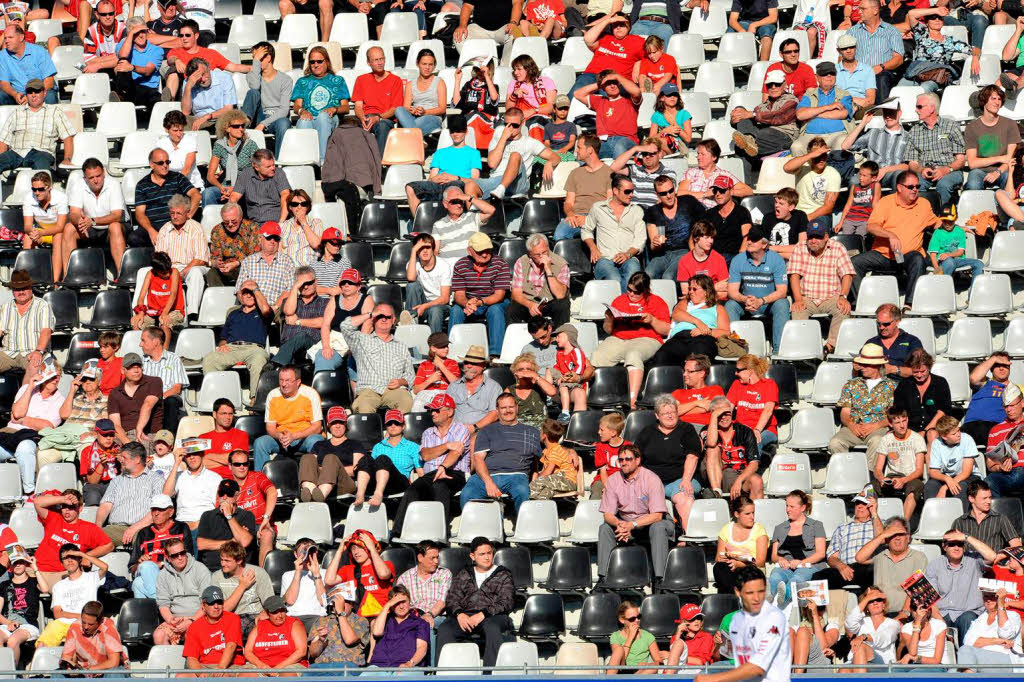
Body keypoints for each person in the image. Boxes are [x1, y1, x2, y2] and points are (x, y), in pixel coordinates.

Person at [694, 567, 791, 682]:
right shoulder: (730, 618)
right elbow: (716, 657)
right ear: (738, 592)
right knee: (703, 673)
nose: (756, 598)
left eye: (760, 591)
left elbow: (758, 668)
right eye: (750, 593)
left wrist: (713, 679)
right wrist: (718, 645)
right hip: (731, 666)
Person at [596, 440, 675, 583]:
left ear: (638, 460)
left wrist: (632, 524)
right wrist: (620, 524)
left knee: (658, 527)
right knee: (605, 528)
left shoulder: (651, 479)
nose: (624, 463)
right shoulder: (613, 480)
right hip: (626, 523)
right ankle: (604, 578)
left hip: (652, 522)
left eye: (628, 459)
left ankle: (660, 580)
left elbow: (657, 515)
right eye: (620, 460)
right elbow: (607, 514)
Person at [393, 394, 469, 537]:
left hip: (454, 473)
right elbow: (426, 455)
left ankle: (441, 533)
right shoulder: (428, 433)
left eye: (436, 410)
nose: (432, 413)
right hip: (431, 474)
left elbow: (456, 452)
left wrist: (443, 467)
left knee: (439, 486)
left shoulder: (461, 429)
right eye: (431, 410)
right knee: (412, 490)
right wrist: (447, 445)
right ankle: (398, 533)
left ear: (450, 412)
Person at [593, 271, 671, 408]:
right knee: (598, 355)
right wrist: (609, 319)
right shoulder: (620, 300)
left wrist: (652, 320)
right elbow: (608, 330)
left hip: (646, 338)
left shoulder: (656, 301)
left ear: (645, 291)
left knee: (633, 355)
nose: (631, 294)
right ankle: (597, 395)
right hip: (619, 337)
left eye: (636, 292)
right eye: (629, 289)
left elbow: (666, 330)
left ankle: (632, 401)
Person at [433, 537, 515, 668]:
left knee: (492, 628)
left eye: (489, 553)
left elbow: (507, 601)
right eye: (482, 554)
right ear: (473, 556)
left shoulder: (503, 574)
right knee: (445, 629)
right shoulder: (464, 573)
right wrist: (459, 614)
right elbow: (452, 598)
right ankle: (442, 673)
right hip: (466, 616)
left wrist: (483, 614)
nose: (487, 557)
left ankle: (491, 675)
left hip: (493, 616)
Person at [459, 393, 540, 513]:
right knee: (467, 494)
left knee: (522, 492)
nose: (507, 411)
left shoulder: (532, 432)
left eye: (511, 407)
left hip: (517, 475)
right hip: (486, 475)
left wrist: (570, 451)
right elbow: (478, 459)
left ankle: (523, 527)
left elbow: (543, 455)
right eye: (503, 408)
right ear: (497, 410)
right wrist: (488, 482)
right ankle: (478, 527)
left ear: (517, 407)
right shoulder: (486, 431)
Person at [787, 223, 854, 354]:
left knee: (843, 309)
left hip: (831, 297)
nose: (813, 240)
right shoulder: (800, 248)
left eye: (817, 237)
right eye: (811, 237)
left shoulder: (838, 248)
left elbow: (847, 274)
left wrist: (843, 296)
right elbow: (794, 276)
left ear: (826, 237)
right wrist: (798, 299)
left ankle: (830, 347)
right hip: (806, 297)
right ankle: (806, 350)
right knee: (797, 311)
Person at [338, 303, 415, 414]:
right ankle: (368, 431)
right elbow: (345, 326)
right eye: (379, 316)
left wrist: (401, 381)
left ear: (393, 320)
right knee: (364, 406)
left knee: (406, 400)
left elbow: (410, 375)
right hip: (369, 390)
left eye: (387, 317)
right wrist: (370, 314)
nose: (383, 319)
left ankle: (393, 431)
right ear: (373, 319)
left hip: (393, 390)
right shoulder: (362, 340)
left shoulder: (401, 346)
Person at [828, 343, 897, 465]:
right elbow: (845, 412)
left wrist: (876, 425)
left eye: (865, 364)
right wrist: (851, 425)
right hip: (853, 427)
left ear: (876, 366)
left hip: (878, 427)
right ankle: (847, 474)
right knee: (835, 443)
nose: (861, 367)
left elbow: (895, 414)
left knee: (878, 441)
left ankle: (870, 478)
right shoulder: (851, 385)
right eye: (861, 364)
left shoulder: (892, 386)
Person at [724, 227, 790, 352]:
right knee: (730, 305)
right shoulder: (738, 260)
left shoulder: (776, 260)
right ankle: (734, 349)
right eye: (749, 239)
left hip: (768, 303)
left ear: (764, 244)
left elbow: (782, 291)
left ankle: (779, 351)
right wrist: (745, 299)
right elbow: (732, 292)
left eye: (754, 240)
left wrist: (761, 301)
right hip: (746, 303)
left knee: (782, 304)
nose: (749, 242)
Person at [448, 232, 512, 359]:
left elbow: (499, 295)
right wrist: (467, 304)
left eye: (487, 250)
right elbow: (459, 295)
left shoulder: (500, 264)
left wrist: (480, 302)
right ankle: (453, 351)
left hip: (494, 301)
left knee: (496, 310)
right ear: (469, 251)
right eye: (480, 251)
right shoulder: (460, 265)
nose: (484, 254)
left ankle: (496, 354)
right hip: (470, 300)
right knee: (456, 310)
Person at [200, 285, 270, 399]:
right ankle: (218, 399)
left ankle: (255, 400)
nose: (248, 295)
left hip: (254, 349)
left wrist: (256, 290)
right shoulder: (233, 313)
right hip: (232, 348)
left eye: (252, 293)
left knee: (258, 361)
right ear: (240, 296)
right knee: (209, 360)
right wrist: (222, 346)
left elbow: (267, 310)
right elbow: (223, 337)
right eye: (245, 293)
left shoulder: (263, 312)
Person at [581, 173, 647, 293]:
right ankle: (619, 309)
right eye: (627, 191)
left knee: (632, 276)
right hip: (605, 258)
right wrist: (593, 247)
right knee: (614, 279)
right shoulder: (598, 208)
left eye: (632, 191)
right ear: (615, 191)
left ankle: (624, 308)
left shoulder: (636, 211)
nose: (631, 195)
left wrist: (627, 254)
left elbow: (640, 239)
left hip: (629, 258)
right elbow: (586, 230)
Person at [405, 115, 480, 218]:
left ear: (466, 132)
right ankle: (420, 223)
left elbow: (475, 181)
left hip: (457, 184)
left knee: (454, 186)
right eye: (452, 131)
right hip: (439, 185)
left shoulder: (474, 153)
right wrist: (435, 179)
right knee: (410, 188)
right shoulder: (440, 153)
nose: (455, 134)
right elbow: (432, 177)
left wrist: (455, 177)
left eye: (458, 131)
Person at [33, 489, 113, 585]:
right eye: (64, 506)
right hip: (36, 569)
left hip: (61, 574)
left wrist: (88, 556)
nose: (67, 510)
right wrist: (63, 499)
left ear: (80, 508)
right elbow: (37, 502)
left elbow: (109, 545)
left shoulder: (89, 528)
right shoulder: (54, 517)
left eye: (71, 507)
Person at [64, 159, 129, 278]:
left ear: (104, 173)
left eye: (98, 176)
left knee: (114, 227)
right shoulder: (78, 185)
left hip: (114, 226)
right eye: (91, 177)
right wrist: (80, 222)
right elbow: (73, 213)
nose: (95, 180)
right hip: (90, 227)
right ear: (85, 178)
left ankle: (122, 274)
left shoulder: (113, 184)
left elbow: (117, 215)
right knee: (69, 228)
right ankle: (70, 276)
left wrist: (93, 221)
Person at [252, 365, 324, 472]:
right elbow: (270, 427)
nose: (284, 384)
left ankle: (316, 481)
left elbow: (317, 427)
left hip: (304, 437)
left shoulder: (310, 394)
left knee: (316, 441)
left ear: (298, 382)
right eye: (281, 380)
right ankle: (261, 482)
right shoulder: (273, 395)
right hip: (281, 439)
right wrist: (279, 435)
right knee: (260, 443)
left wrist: (294, 436)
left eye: (288, 380)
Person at [649, 275, 729, 369]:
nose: (690, 292)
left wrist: (706, 331)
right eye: (689, 288)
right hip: (679, 338)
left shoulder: (717, 308)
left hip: (703, 338)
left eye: (694, 289)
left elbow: (726, 332)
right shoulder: (686, 303)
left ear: (706, 291)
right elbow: (676, 314)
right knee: (661, 357)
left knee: (698, 358)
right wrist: (698, 322)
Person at [479, 107, 561, 200]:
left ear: (522, 123)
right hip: (495, 180)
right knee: (470, 185)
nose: (510, 128)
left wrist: (549, 163)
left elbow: (555, 157)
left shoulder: (530, 142)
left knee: (515, 155)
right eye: (507, 124)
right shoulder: (499, 135)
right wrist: (503, 138)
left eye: (515, 125)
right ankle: (475, 213)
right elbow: (492, 164)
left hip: (517, 183)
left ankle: (501, 189)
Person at [95, 441, 166, 547]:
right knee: (92, 539)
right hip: (115, 529)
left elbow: (157, 510)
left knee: (145, 541)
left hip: (143, 529)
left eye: (124, 457)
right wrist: (97, 528)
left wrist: (134, 528)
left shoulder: (156, 479)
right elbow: (106, 505)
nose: (120, 460)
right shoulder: (117, 480)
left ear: (137, 459)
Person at [904, 92, 966, 210]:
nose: (916, 110)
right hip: (925, 171)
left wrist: (946, 169)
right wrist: (922, 169)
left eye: (919, 107)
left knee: (943, 185)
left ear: (932, 108)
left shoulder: (951, 126)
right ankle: (921, 216)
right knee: (915, 186)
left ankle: (945, 216)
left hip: (951, 170)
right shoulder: (914, 131)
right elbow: (912, 163)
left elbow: (961, 160)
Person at [0, 79, 72, 179]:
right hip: (16, 153)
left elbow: (67, 136)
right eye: (30, 92)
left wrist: (67, 159)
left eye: (37, 91)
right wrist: (3, 158)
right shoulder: (16, 113)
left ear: (45, 93)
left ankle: (44, 193)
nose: (33, 95)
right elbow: (3, 141)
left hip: (42, 153)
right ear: (26, 94)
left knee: (42, 172)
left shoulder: (55, 112)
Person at [855, 516, 928, 611]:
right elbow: (859, 558)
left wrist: (904, 614)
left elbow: (916, 590)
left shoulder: (919, 557)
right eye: (892, 534)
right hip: (881, 613)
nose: (897, 538)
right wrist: (881, 536)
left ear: (908, 537)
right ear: (887, 538)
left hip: (906, 614)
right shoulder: (880, 554)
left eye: (901, 534)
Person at [767, 490, 826, 606]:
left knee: (798, 578)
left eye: (792, 506)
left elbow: (820, 553)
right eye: (787, 506)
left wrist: (801, 562)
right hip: (786, 566)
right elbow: (774, 555)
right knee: (775, 577)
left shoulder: (816, 525)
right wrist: (781, 560)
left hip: (809, 565)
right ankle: (766, 601)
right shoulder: (779, 528)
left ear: (803, 507)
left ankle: (786, 596)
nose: (788, 509)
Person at [134, 149, 201, 250]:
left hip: (176, 222)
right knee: (134, 238)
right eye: (161, 163)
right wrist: (150, 230)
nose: (165, 165)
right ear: (151, 164)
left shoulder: (178, 177)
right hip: (154, 225)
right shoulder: (142, 185)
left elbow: (196, 195)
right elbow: (139, 214)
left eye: (167, 162)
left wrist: (188, 215)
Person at [292, 45, 351, 163]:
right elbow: (296, 106)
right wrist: (302, 111)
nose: (316, 64)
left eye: (319, 61)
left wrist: (334, 109)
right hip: (310, 116)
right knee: (304, 121)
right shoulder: (302, 81)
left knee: (323, 116)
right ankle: (306, 162)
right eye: (312, 62)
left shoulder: (338, 80)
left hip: (329, 117)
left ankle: (323, 161)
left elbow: (346, 107)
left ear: (327, 62)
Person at [395, 540, 450, 664]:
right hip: (413, 616)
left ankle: (429, 670)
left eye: (437, 557)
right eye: (432, 558)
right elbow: (402, 605)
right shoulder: (404, 578)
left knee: (426, 625)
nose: (436, 561)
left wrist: (429, 615)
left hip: (437, 616)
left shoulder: (444, 574)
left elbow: (442, 601)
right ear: (420, 557)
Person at [731, 70, 800, 167]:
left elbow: (778, 116)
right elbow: (750, 119)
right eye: (769, 85)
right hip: (764, 137)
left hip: (785, 136)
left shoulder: (791, 101)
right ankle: (746, 180)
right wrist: (736, 118)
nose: (773, 87)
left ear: (785, 85)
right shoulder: (763, 105)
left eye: (777, 84)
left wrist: (752, 114)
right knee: (741, 111)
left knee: (761, 132)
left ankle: (750, 139)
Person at [643, 175, 704, 280]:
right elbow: (653, 246)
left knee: (668, 276)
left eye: (671, 191)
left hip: (685, 250)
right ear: (657, 195)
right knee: (647, 275)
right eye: (663, 193)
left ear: (674, 189)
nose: (669, 195)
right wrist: (656, 243)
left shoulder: (688, 202)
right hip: (663, 254)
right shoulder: (653, 211)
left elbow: (704, 224)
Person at [324, 529, 395, 619]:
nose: (356, 552)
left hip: (381, 616)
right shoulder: (348, 569)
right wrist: (339, 551)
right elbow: (329, 580)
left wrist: (372, 549)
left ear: (368, 546)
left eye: (360, 547)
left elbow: (383, 574)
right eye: (353, 548)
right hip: (357, 619)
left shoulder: (386, 565)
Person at [570, 13, 644, 98]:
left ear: (629, 26)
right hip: (592, 75)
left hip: (615, 79)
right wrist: (608, 20)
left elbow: (651, 55)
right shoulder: (605, 38)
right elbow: (587, 39)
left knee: (607, 101)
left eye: (622, 25)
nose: (618, 27)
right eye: (615, 25)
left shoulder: (637, 41)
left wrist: (639, 63)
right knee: (575, 94)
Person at [704, 397, 764, 500]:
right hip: (717, 476)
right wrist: (714, 416)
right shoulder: (707, 430)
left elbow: (754, 464)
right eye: (719, 414)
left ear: (732, 413)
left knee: (756, 481)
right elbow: (711, 442)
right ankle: (716, 494)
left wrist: (739, 480)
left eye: (726, 413)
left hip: (739, 474)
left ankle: (756, 515)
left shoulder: (745, 431)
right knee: (712, 449)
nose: (723, 417)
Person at [817, 492, 881, 589]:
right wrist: (841, 566)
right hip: (845, 568)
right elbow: (832, 557)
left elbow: (882, 538)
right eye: (857, 503)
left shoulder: (878, 524)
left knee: (875, 573)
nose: (859, 506)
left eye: (864, 504)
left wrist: (874, 514)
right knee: (818, 577)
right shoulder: (842, 528)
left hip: (867, 567)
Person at [211, 539, 275, 636]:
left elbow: (270, 602)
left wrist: (266, 613)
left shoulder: (258, 573)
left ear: (239, 561)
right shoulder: (217, 577)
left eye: (227, 561)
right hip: (230, 618)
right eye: (221, 559)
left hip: (255, 616)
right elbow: (223, 609)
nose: (222, 564)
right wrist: (242, 586)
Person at [46, 544, 108, 642]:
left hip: (86, 624)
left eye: (73, 557)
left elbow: (104, 567)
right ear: (62, 563)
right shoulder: (58, 586)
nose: (70, 560)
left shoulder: (91, 578)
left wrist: (81, 554)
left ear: (79, 559)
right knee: (42, 643)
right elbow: (57, 614)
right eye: (66, 558)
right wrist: (80, 616)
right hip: (63, 624)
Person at [272, 266, 332, 366]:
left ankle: (275, 363)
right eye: (301, 284)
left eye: (308, 283)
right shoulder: (289, 301)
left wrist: (298, 321)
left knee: (302, 336)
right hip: (288, 345)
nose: (305, 287)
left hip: (312, 345)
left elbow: (325, 322)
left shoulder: (325, 302)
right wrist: (295, 288)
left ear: (316, 282)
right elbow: (288, 312)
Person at [507, 233, 571, 327]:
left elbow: (560, 295)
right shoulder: (521, 262)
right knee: (512, 309)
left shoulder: (561, 263)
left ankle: (561, 336)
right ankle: (516, 339)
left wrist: (548, 269)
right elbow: (516, 293)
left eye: (545, 252)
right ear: (530, 254)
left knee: (562, 305)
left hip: (550, 303)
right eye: (537, 254)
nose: (542, 256)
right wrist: (530, 305)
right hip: (529, 302)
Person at [790, 62, 854, 155]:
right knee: (796, 147)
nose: (829, 76)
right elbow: (800, 115)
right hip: (811, 136)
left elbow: (842, 113)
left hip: (838, 134)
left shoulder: (844, 94)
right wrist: (828, 107)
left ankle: (837, 170)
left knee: (842, 143)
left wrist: (813, 112)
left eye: (832, 73)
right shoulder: (809, 94)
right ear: (817, 77)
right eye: (824, 74)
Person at [240, 43, 291, 157]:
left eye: (258, 58)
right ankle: (241, 130)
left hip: (276, 119)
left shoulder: (285, 79)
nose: (255, 62)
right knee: (253, 93)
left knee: (284, 122)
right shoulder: (252, 76)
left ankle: (278, 161)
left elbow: (284, 110)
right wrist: (257, 62)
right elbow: (255, 87)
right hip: (259, 115)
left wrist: (263, 124)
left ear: (268, 57)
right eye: (254, 59)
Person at [965, 85, 1019, 191]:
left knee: (1010, 180)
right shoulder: (971, 128)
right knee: (973, 184)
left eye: (999, 99)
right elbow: (972, 163)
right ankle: (978, 208)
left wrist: (997, 172)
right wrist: (999, 158)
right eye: (993, 98)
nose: (997, 102)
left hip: (1003, 169)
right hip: (979, 170)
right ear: (984, 101)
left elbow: (1009, 159)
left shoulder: (1010, 124)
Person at [848, 0, 905, 100]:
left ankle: (881, 112)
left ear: (875, 10)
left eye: (863, 9)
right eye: (859, 8)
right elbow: (842, 58)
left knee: (881, 78)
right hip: (857, 74)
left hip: (881, 73)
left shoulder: (891, 31)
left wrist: (881, 67)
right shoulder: (852, 31)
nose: (859, 12)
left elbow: (898, 59)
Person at [351, 46, 402, 156]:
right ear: (368, 63)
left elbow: (395, 108)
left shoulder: (395, 80)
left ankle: (378, 165)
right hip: (365, 117)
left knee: (382, 126)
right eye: (375, 60)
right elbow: (358, 106)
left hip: (384, 118)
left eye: (381, 59)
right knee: (348, 129)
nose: (380, 63)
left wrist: (378, 117)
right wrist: (362, 118)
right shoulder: (361, 80)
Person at [893, 349, 952, 445]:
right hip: (910, 428)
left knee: (931, 434)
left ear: (929, 367)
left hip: (935, 427)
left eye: (923, 371)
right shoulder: (904, 385)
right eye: (915, 372)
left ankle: (929, 459)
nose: (919, 375)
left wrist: (924, 431)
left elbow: (942, 411)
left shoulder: (940, 383)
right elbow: (899, 411)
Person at [195, 479, 256, 571]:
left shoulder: (247, 515)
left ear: (237, 496)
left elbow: (244, 542)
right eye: (221, 493)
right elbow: (201, 544)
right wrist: (231, 542)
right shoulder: (207, 515)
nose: (224, 497)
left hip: (238, 569)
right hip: (211, 569)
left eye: (229, 494)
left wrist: (229, 516)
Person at [182, 585, 244, 673]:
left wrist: (221, 667)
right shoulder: (194, 626)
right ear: (203, 605)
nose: (216, 606)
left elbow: (231, 645)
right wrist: (200, 673)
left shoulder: (233, 618)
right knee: (181, 677)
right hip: (205, 667)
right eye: (211, 603)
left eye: (219, 602)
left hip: (230, 666)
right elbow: (191, 658)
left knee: (223, 677)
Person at [20, 173, 68, 286]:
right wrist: (33, 232)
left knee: (58, 236)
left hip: (58, 231)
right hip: (41, 231)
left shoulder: (61, 198)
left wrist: (41, 232)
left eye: (40, 189)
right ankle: (27, 279)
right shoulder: (28, 198)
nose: (36, 192)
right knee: (27, 237)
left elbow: (60, 227)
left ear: (49, 187)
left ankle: (55, 282)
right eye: (34, 189)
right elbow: (27, 225)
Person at [307, 584, 371, 670]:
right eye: (335, 601)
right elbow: (313, 653)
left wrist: (340, 612)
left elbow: (349, 640)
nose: (338, 604)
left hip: (346, 667)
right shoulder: (321, 621)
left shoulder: (361, 621)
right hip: (321, 667)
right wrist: (321, 641)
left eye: (343, 601)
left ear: (352, 604)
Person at [784, 138, 842, 232]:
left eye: (823, 155)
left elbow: (828, 207)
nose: (821, 159)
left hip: (819, 215)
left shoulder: (833, 173)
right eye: (818, 155)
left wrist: (806, 218)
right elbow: (787, 167)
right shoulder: (803, 167)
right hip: (798, 211)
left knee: (816, 229)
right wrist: (811, 155)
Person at [713, 494, 768, 594]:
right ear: (737, 514)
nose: (752, 517)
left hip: (752, 570)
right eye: (747, 514)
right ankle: (734, 598)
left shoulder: (759, 530)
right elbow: (718, 557)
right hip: (731, 569)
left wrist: (738, 563)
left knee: (730, 579)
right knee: (719, 567)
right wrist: (726, 558)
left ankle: (732, 600)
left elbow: (760, 562)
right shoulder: (726, 530)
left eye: (753, 513)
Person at [842, 105, 906, 191]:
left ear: (899, 113)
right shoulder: (873, 132)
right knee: (854, 181)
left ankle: (895, 204)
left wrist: (885, 170)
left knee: (900, 176)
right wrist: (863, 123)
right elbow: (845, 146)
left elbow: (908, 166)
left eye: (891, 112)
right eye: (885, 112)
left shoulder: (908, 137)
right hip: (871, 173)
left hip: (892, 173)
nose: (888, 116)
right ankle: (859, 204)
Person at [957, 587, 1022, 670]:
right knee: (951, 673)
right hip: (978, 659)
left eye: (992, 596)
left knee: (964, 651)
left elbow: (1005, 634)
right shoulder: (980, 619)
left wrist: (1001, 604)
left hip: (1003, 659)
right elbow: (968, 641)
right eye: (986, 596)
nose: (988, 600)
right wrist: (997, 641)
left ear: (999, 597)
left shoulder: (1013, 615)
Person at [206, 115, 262, 211]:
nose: (241, 129)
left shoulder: (250, 145)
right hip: (225, 187)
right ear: (227, 128)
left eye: (242, 126)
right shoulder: (219, 145)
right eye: (236, 126)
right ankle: (211, 223)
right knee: (208, 193)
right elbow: (210, 176)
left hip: (245, 186)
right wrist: (221, 188)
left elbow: (258, 172)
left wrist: (236, 189)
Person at [140, 325, 188, 436]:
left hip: (166, 398)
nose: (140, 344)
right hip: (147, 401)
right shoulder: (142, 361)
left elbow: (176, 388)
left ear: (156, 342)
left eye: (143, 341)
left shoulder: (173, 359)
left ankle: (168, 439)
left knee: (171, 402)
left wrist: (158, 398)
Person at [366, 585, 429, 670]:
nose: (401, 606)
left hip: (406, 667)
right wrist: (387, 606)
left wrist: (410, 663)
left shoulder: (420, 623)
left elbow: (422, 648)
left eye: (404, 602)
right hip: (379, 666)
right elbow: (377, 632)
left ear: (409, 602)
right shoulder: (384, 620)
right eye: (397, 603)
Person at [106, 353, 162, 446]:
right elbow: (116, 424)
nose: (136, 370)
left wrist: (139, 429)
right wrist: (128, 444)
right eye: (131, 367)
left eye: (138, 366)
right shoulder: (115, 393)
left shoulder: (154, 382)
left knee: (141, 451)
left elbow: (148, 405)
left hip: (148, 433)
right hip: (123, 435)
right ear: (123, 370)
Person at [431, 186, 497, 264]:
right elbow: (435, 250)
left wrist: (470, 198)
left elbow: (491, 210)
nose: (459, 205)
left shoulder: (472, 217)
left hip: (470, 265)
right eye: (454, 202)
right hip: (448, 265)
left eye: (461, 201)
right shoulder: (438, 225)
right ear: (445, 204)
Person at [235, 222, 295, 308]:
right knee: (230, 313)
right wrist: (247, 306)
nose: (272, 241)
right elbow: (239, 290)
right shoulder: (248, 261)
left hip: (275, 308)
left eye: (276, 238)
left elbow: (290, 290)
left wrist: (275, 308)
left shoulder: (287, 262)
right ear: (260, 238)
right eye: (269, 237)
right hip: (251, 307)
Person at [0, 550, 44, 665]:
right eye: (15, 562)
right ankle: (3, 672)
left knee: (13, 640)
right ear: (11, 565)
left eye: (21, 561)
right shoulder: (4, 585)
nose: (18, 564)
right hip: (7, 624)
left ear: (26, 563)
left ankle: (12, 675)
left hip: (28, 625)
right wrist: (8, 623)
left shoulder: (33, 582)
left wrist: (34, 567)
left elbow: (45, 589)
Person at [446, 345, 502, 434]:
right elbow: (445, 411)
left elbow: (494, 414)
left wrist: (474, 427)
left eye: (473, 363)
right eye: (466, 362)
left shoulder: (493, 387)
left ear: (483, 365)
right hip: (454, 433)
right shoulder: (453, 386)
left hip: (481, 432)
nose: (468, 366)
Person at [926, 416, 981, 506]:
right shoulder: (937, 443)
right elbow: (933, 471)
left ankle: (960, 518)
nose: (958, 434)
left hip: (970, 476)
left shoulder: (966, 439)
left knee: (960, 487)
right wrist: (947, 479)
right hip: (948, 476)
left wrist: (945, 487)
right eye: (954, 433)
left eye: (958, 430)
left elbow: (966, 472)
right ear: (944, 436)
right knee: (930, 486)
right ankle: (934, 516)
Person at [243, 594, 307, 672]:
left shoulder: (293, 623)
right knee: (246, 675)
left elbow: (301, 651)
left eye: (282, 611)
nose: (279, 615)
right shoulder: (260, 626)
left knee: (287, 676)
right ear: (267, 613)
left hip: (289, 665)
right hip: (262, 666)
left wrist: (277, 669)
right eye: (275, 612)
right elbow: (247, 651)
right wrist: (261, 666)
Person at [404, 234, 452, 336]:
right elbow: (411, 278)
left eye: (428, 247)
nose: (425, 251)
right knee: (412, 285)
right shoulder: (413, 263)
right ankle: (412, 322)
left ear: (433, 249)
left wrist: (426, 306)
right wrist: (413, 251)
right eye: (421, 248)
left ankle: (436, 345)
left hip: (441, 305)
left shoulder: (444, 266)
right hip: (421, 303)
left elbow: (445, 298)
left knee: (435, 309)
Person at [954, 479, 1022, 551]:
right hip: (968, 561)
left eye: (990, 497)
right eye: (984, 498)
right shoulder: (960, 522)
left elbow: (1016, 545)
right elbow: (952, 548)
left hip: (994, 561)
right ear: (971, 498)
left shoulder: (1000, 519)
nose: (989, 501)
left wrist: (1001, 556)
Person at [59, 600, 123, 674]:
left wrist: (89, 670)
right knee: (57, 675)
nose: (85, 627)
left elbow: (114, 663)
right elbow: (66, 657)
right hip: (83, 671)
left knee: (114, 674)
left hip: (106, 671)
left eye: (90, 624)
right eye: (83, 622)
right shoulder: (74, 627)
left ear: (100, 621)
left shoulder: (109, 628)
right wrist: (69, 669)